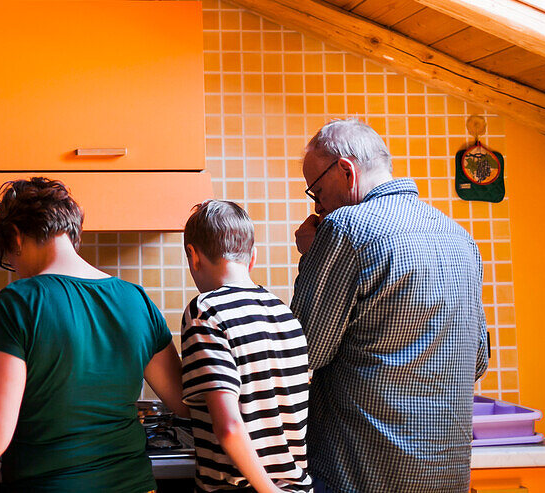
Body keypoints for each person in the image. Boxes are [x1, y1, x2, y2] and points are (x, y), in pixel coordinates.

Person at [0, 177, 186, 492]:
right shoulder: (137, 300)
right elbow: (185, 401)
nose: (15, 269)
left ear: (16, 237)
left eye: (9, 259)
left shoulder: (19, 302)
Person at [292, 118, 488, 492]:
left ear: (346, 171)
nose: (318, 206)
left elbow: (306, 350)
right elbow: (478, 358)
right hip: (447, 478)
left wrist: (311, 255)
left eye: (316, 192)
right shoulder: (459, 237)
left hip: (364, 475)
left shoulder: (345, 229)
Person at [180, 200, 312, 493]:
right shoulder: (284, 315)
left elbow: (228, 427)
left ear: (193, 255)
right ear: (252, 257)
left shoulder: (206, 312)